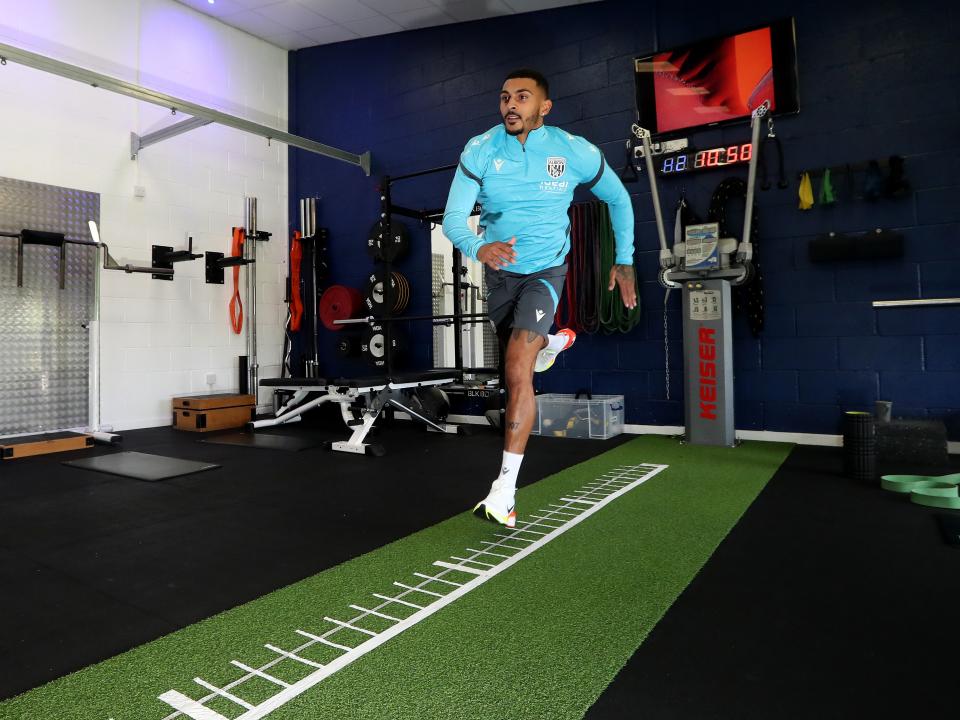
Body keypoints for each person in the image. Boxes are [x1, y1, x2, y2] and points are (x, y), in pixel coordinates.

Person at [442, 68, 637, 528]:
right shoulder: (481, 149)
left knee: (515, 371)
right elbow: (453, 220)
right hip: (500, 275)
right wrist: (478, 247)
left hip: (546, 271)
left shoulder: (572, 151)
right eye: (505, 97)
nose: (511, 105)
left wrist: (624, 257)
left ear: (543, 108)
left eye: (522, 98)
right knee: (520, 356)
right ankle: (548, 341)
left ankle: (504, 492)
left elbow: (619, 198)